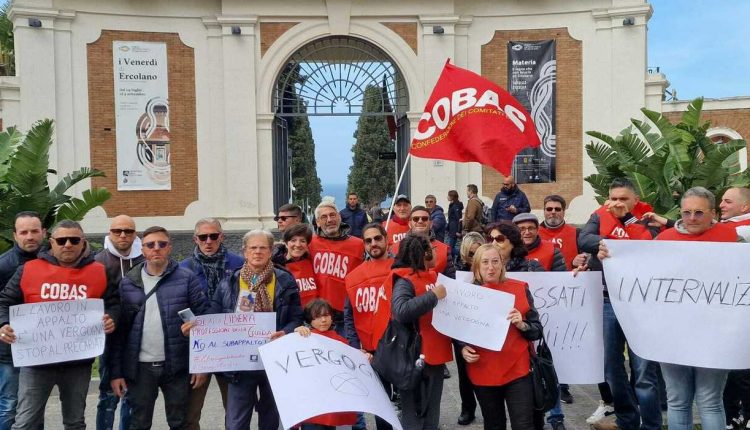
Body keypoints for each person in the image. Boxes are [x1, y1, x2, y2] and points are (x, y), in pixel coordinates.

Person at [0, 219, 119, 430]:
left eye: (74, 240)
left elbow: (113, 303)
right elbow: (5, 301)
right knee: (25, 422)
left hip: (78, 364)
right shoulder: (29, 269)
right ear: (52, 242)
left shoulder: (99, 271)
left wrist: (111, 318)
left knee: (75, 422)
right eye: (62, 240)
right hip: (35, 363)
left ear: (83, 242)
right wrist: (3, 324)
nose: (68, 245)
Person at [579, 178, 662, 430]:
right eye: (613, 198)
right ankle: (627, 421)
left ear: (635, 200)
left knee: (644, 371)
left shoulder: (647, 217)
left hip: (639, 303)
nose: (617, 203)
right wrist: (600, 245)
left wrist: (627, 220)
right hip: (608, 300)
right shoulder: (599, 215)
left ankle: (650, 425)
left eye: (623, 199)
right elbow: (583, 239)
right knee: (612, 368)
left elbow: (648, 244)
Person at [109, 226, 210, 430]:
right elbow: (120, 333)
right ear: (143, 249)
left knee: (179, 421)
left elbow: (204, 320)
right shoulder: (128, 282)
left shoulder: (186, 278)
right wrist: (116, 373)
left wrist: (201, 365)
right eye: (150, 245)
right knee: (139, 422)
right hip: (140, 368)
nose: (156, 248)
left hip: (177, 366)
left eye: (162, 244)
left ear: (169, 248)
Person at [652, 187, 735, 430]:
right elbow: (640, 269)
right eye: (686, 212)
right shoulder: (664, 239)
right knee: (677, 400)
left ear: (713, 213)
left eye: (699, 213)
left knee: (709, 400)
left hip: (716, 333)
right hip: (672, 333)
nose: (691, 218)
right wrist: (609, 256)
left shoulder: (731, 237)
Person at [210, 229, 303, 430]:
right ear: (244, 252)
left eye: (263, 248)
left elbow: (297, 317)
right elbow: (214, 318)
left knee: (270, 418)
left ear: (270, 251)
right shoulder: (229, 283)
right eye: (253, 247)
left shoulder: (285, 280)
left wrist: (285, 332)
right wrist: (198, 327)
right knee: (236, 422)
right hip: (240, 363)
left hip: (275, 360)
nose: (257, 252)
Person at [461, 243, 543, 430]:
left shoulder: (520, 289)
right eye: (485, 262)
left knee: (523, 425)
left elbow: (537, 330)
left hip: (518, 370)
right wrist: (462, 348)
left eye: (495, 261)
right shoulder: (466, 295)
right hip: (483, 371)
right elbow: (457, 332)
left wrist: (522, 324)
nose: (491, 267)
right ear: (476, 267)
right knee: (494, 425)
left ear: (502, 263)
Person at [179, 218, 243, 430]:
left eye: (213, 236)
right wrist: (190, 327)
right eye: (203, 237)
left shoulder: (239, 264)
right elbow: (178, 303)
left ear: (221, 237)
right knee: (191, 413)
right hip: (198, 349)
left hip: (230, 347)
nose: (208, 241)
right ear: (195, 239)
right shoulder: (183, 268)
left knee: (234, 413)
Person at [390, 234, 451, 430]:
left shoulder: (433, 275)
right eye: (433, 250)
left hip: (434, 354)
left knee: (431, 412)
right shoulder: (404, 280)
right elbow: (400, 311)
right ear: (424, 254)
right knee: (414, 413)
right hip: (415, 356)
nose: (436, 253)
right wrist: (433, 296)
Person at [95, 214, 144, 430]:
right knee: (107, 395)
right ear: (110, 233)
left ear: (135, 235)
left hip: (138, 337)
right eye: (117, 231)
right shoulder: (97, 262)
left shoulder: (145, 260)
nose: (123, 235)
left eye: (128, 231)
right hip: (108, 338)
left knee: (131, 396)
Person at [344, 223, 394, 430]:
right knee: (380, 404)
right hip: (371, 350)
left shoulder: (400, 269)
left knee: (408, 404)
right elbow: (349, 316)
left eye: (377, 238)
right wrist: (357, 348)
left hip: (399, 347)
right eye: (368, 240)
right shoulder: (353, 277)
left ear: (386, 239)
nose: (373, 243)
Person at [0, 212, 46, 430]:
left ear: (44, 233)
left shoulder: (52, 261)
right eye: (24, 232)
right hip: (9, 350)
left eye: (35, 231)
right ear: (15, 235)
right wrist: (2, 325)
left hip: (44, 348)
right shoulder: (3, 266)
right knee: (9, 404)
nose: (30, 237)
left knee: (35, 406)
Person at [294, 299, 360, 430]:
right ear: (310, 320)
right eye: (317, 317)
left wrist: (363, 356)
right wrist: (296, 331)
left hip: (331, 405)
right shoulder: (301, 338)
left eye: (326, 315)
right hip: (311, 405)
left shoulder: (341, 342)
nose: (323, 320)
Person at [309, 201, 365, 335]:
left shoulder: (359, 245)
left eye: (332, 215)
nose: (329, 220)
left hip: (345, 316)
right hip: (316, 315)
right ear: (317, 222)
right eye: (324, 217)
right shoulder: (309, 244)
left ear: (339, 218)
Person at [391, 206, 456, 279]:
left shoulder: (444, 249)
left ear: (431, 224)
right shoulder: (396, 248)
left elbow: (451, 278)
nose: (420, 221)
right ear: (410, 224)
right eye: (416, 219)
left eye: (424, 219)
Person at [538, 195, 584, 269]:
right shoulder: (533, 234)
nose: (553, 212)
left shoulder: (577, 233)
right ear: (544, 211)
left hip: (569, 278)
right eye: (549, 209)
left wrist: (579, 261)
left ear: (564, 212)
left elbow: (587, 258)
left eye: (557, 209)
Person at [279, 223, 319, 307]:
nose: (298, 245)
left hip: (312, 315)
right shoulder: (276, 265)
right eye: (293, 240)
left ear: (307, 245)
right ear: (286, 243)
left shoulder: (312, 263)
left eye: (302, 241)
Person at [446, 190, 464, 259]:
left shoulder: (455, 206)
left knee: (450, 249)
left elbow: (459, 219)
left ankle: (462, 254)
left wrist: (458, 231)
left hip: (454, 229)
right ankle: (452, 262)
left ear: (452, 197)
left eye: (448, 195)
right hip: (451, 228)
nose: (447, 197)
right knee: (451, 247)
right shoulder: (452, 205)